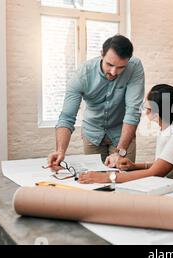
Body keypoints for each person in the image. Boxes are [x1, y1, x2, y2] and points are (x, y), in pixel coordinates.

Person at [78, 84, 173, 189]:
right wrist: (133, 166)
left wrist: (107, 178)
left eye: (148, 105)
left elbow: (156, 173)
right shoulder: (167, 130)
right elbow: (162, 166)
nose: (145, 109)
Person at [46, 35, 144, 172]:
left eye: (121, 67)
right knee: (96, 182)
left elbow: (133, 111)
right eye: (109, 65)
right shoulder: (82, 75)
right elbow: (67, 117)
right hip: (92, 135)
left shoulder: (134, 67)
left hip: (122, 134)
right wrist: (60, 151)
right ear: (101, 55)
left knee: (123, 180)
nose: (114, 72)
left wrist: (119, 152)